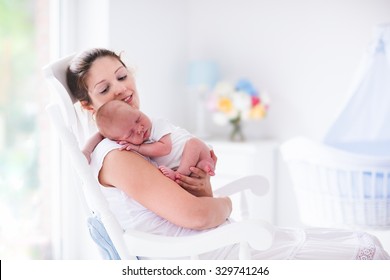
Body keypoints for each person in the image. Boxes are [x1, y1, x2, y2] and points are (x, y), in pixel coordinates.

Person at [66, 48, 390, 260]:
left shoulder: (144, 135)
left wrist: (203, 189)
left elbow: (194, 202)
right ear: (88, 105)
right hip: (207, 255)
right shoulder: (118, 157)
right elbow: (198, 215)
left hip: (215, 240)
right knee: (363, 254)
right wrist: (225, 204)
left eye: (122, 76)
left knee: (364, 242)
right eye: (105, 88)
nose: (121, 89)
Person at [84, 99, 215, 181]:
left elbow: (165, 148)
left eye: (138, 119)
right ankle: (205, 165)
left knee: (194, 143)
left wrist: (138, 148)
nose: (139, 128)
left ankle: (181, 174)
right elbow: (100, 135)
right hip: (184, 165)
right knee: (199, 171)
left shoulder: (157, 124)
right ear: (120, 140)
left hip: (197, 150)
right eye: (130, 133)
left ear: (137, 110)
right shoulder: (115, 147)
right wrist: (87, 151)